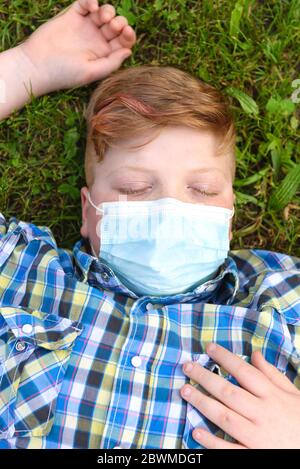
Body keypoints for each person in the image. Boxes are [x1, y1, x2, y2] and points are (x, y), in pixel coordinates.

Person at [0, 0, 299, 450]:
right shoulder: (20, 269)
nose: (170, 208)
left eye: (201, 190)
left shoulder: (283, 298)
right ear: (87, 211)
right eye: (136, 188)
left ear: (230, 211)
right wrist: (27, 66)